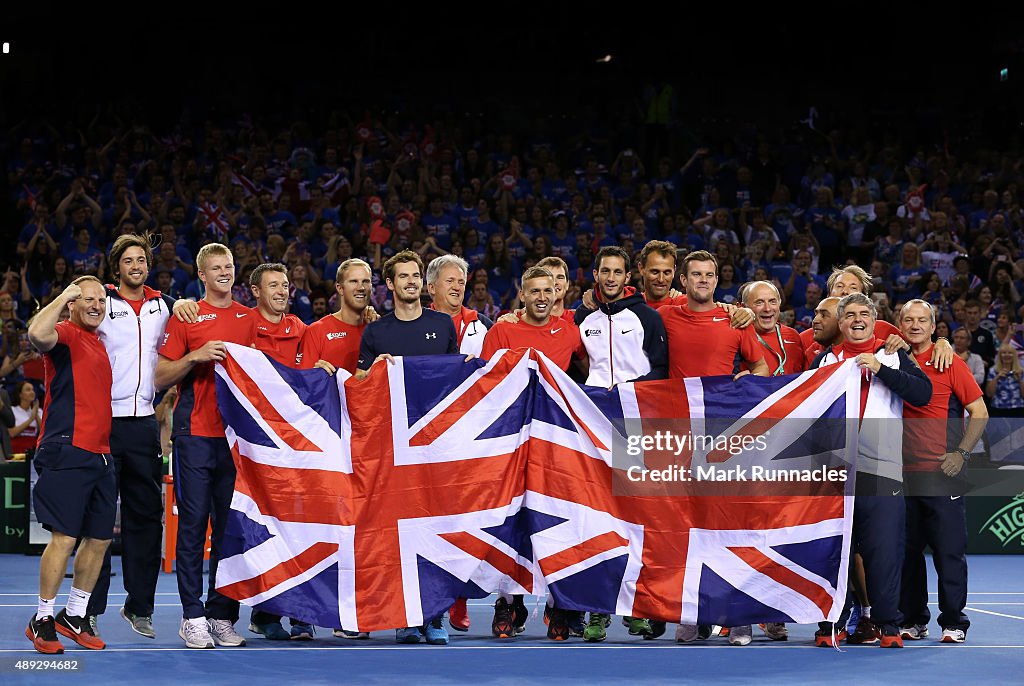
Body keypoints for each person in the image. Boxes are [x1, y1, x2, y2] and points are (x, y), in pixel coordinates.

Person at [811, 293, 932, 649]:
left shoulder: (894, 354)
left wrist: (882, 369)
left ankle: (888, 626)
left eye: (864, 314)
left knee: (885, 551)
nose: (857, 320)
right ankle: (830, 625)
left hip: (882, 471)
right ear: (841, 322)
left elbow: (922, 393)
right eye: (849, 315)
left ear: (875, 319)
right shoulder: (825, 360)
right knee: (833, 552)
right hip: (835, 474)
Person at [155, 242, 257, 650]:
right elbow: (161, 375)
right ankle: (191, 616)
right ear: (202, 275)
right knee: (194, 528)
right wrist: (195, 355)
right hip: (195, 435)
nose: (224, 272)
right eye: (216, 268)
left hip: (236, 440)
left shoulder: (250, 319)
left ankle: (219, 616)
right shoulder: (189, 315)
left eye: (229, 266)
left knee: (230, 532)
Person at [88, 234, 190, 641]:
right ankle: (88, 610)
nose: (136, 265)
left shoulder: (164, 306)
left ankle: (139, 607)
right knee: (96, 521)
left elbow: (185, 338)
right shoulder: (101, 303)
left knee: (146, 518)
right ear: (117, 268)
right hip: (103, 424)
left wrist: (185, 305)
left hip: (145, 424)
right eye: (128, 260)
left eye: (141, 260)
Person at [357, 249, 459, 645]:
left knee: (439, 532)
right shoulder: (376, 332)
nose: (412, 281)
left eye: (416, 275)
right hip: (395, 449)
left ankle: (434, 617)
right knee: (401, 536)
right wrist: (372, 371)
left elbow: (455, 380)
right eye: (403, 276)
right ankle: (406, 617)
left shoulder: (442, 324)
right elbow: (361, 386)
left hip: (437, 447)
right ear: (390, 285)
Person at [481, 266, 585, 641]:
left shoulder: (570, 331)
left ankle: (558, 603)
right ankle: (507, 601)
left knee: (555, 519)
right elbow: (485, 380)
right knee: (509, 519)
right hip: (509, 440)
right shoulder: (502, 330)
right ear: (521, 295)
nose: (542, 296)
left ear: (557, 293)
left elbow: (593, 374)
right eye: (534, 291)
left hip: (555, 443)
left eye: (548, 290)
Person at [25, 277, 115, 654]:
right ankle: (42, 618)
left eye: (100, 300)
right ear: (74, 305)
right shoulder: (65, 333)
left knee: (100, 538)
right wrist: (63, 295)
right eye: (87, 299)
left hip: (101, 454)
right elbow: (35, 334)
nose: (95, 305)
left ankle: (74, 615)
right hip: (66, 449)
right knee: (64, 537)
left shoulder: (100, 343)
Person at [898, 300, 987, 644]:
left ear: (934, 327)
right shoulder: (894, 359)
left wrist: (962, 453)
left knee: (948, 552)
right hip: (901, 474)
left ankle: (953, 621)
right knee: (906, 553)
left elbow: (979, 412)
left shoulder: (949, 361)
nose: (916, 325)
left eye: (923, 320)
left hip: (942, 473)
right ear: (900, 325)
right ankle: (913, 619)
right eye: (909, 320)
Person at [244, 262, 315, 641]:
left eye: (285, 285)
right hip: (252, 445)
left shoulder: (299, 329)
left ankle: (300, 611)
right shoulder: (241, 325)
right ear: (255, 290)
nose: (282, 291)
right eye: (273, 285)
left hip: (292, 445)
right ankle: (265, 611)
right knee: (264, 528)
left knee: (298, 527)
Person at [659, 250, 770, 382]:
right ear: (684, 280)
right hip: (680, 400)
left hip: (721, 401)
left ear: (716, 281)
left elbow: (762, 368)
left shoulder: (736, 318)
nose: (704, 280)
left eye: (709, 275)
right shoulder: (665, 315)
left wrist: (750, 379)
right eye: (697, 274)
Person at [427, 254, 493, 358]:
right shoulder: (418, 324)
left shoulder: (484, 324)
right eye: (450, 281)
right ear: (432, 288)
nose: (457, 287)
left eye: (461, 282)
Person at [9, 380, 40, 454]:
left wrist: (36, 415)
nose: (32, 392)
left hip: (33, 451)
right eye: (28, 390)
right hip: (16, 451)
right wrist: (31, 419)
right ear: (20, 394)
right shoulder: (13, 410)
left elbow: (45, 432)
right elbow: (12, 433)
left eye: (33, 390)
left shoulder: (38, 411)